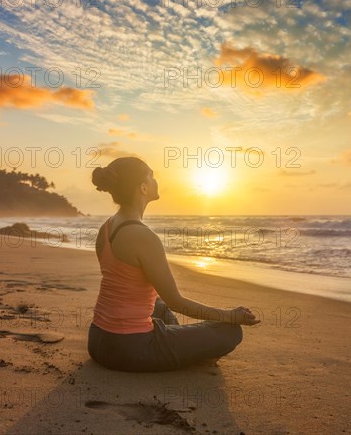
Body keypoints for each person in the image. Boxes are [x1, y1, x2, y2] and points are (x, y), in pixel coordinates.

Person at [87, 157, 260, 372]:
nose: (156, 180)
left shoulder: (107, 227)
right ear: (143, 187)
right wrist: (229, 315)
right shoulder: (143, 236)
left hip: (97, 341)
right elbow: (177, 302)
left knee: (158, 304)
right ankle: (188, 351)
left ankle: (183, 345)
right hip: (130, 349)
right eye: (151, 176)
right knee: (230, 332)